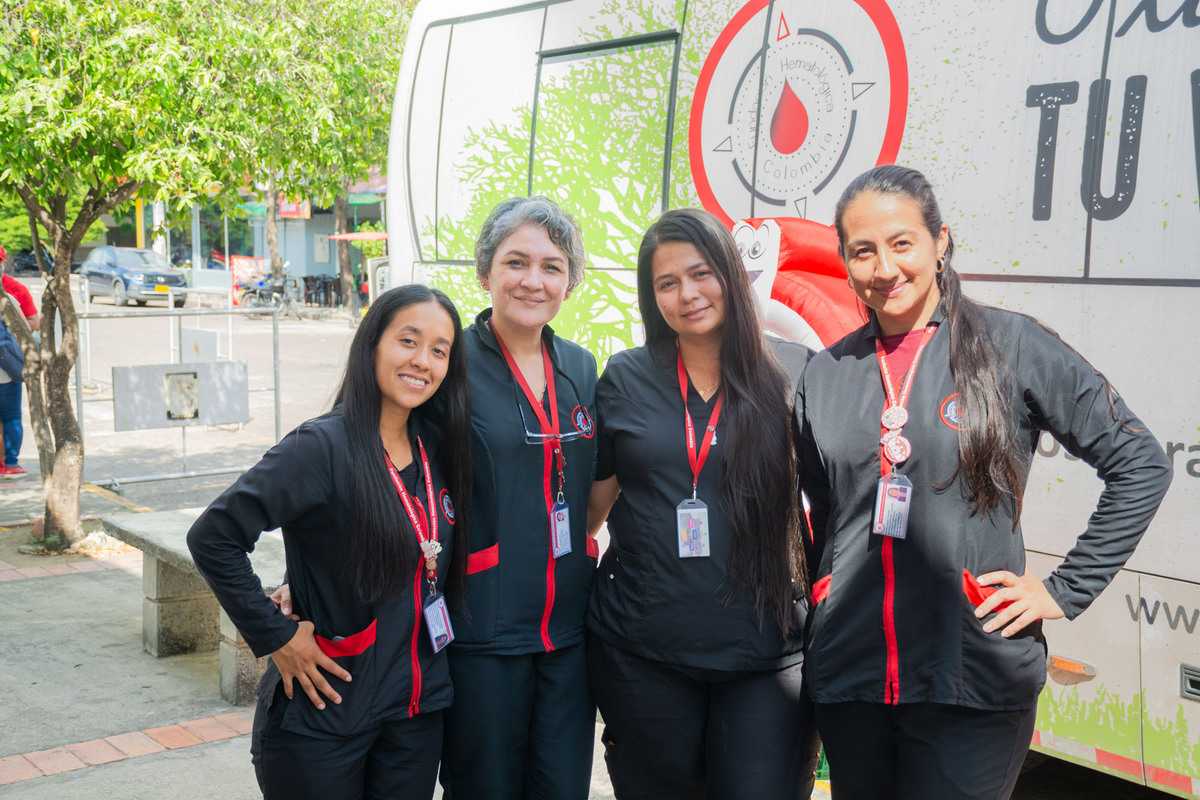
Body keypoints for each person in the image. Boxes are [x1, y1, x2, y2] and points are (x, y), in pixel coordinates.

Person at [795, 165, 1173, 799]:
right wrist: (825, 600)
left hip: (972, 677)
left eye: (902, 243)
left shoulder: (1011, 345)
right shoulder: (828, 373)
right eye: (862, 251)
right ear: (845, 259)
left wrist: (1064, 589)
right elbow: (825, 509)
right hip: (855, 682)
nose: (884, 267)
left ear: (941, 242)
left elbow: (1140, 464)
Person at [187, 284, 472, 800]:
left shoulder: (436, 448)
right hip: (325, 712)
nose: (422, 361)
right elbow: (213, 536)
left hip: (414, 715)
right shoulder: (322, 446)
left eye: (439, 350)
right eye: (408, 341)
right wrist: (275, 634)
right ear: (372, 346)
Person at [586, 208, 818, 799]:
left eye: (701, 273)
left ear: (731, 275)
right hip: (645, 652)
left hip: (764, 656)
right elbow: (594, 506)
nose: (686, 295)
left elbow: (841, 502)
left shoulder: (791, 372)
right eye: (667, 283)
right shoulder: (626, 377)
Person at [437, 196, 600, 800]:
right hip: (483, 631)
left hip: (567, 635)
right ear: (486, 273)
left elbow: (595, 479)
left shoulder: (580, 367)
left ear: (569, 282)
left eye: (552, 267)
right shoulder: (449, 364)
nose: (534, 280)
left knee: (562, 788)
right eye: (516, 263)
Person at [0, 246, 40, 480]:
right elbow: (33, 323)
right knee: (11, 415)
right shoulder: (14, 290)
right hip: (7, 365)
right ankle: (10, 463)